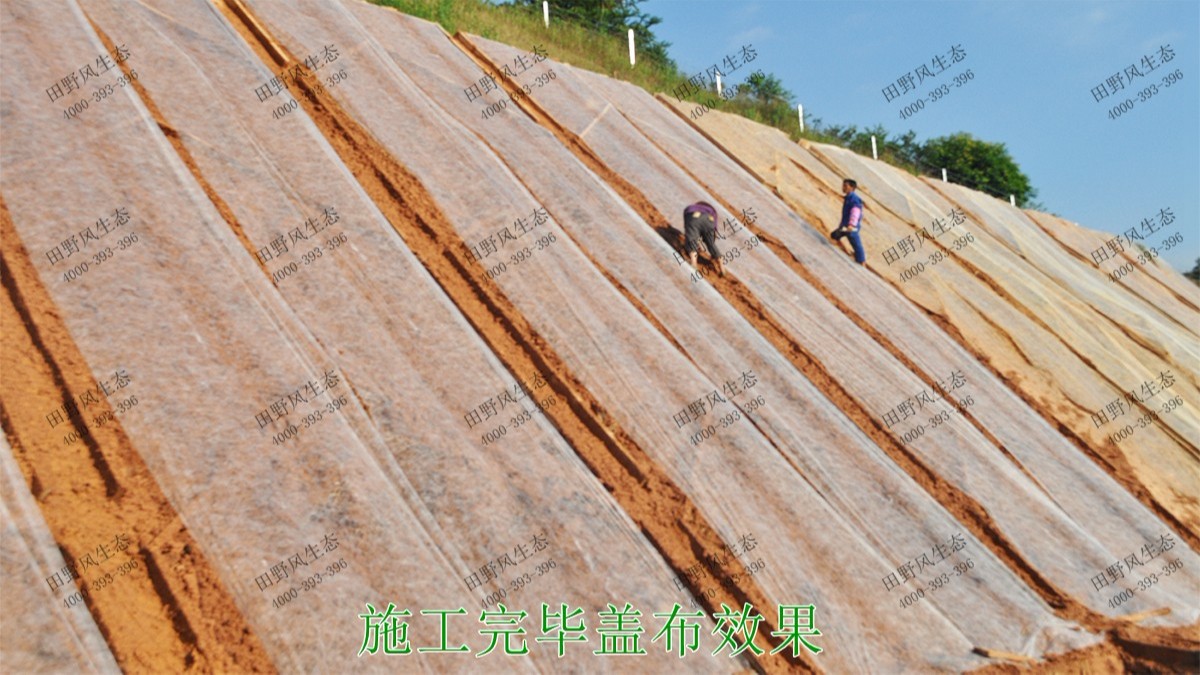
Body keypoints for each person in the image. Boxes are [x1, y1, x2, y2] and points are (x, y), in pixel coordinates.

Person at [683, 201, 725, 276]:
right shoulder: (712, 212)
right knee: (711, 243)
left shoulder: (691, 208)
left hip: (692, 216)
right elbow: (714, 231)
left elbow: (689, 229)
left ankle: (694, 263)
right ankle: (722, 266)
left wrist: (695, 242)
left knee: (691, 239)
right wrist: (711, 246)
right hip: (709, 219)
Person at [831, 178, 866, 266]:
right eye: (843, 185)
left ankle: (862, 262)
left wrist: (851, 224)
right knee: (835, 235)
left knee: (856, 243)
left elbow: (855, 212)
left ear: (852, 187)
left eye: (845, 186)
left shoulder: (854, 199)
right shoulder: (848, 198)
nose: (843, 187)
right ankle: (844, 250)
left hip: (851, 227)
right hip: (846, 225)